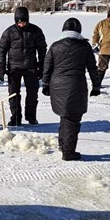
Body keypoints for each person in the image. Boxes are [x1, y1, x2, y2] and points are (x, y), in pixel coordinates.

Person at [42, 18, 101, 161]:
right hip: (76, 85)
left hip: (58, 85)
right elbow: (92, 68)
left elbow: (47, 66)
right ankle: (68, 152)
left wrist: (46, 84)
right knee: (72, 119)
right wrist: (96, 86)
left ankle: (63, 145)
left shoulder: (55, 46)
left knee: (65, 116)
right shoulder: (84, 46)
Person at [0, 6, 47, 126]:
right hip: (14, 68)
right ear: (15, 21)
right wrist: (2, 68)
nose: (21, 24)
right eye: (19, 22)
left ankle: (31, 117)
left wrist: (42, 67)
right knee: (13, 94)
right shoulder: (9, 32)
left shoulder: (36, 31)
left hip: (31, 68)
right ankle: (15, 117)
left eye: (24, 22)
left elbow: (42, 49)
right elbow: (2, 50)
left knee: (32, 94)